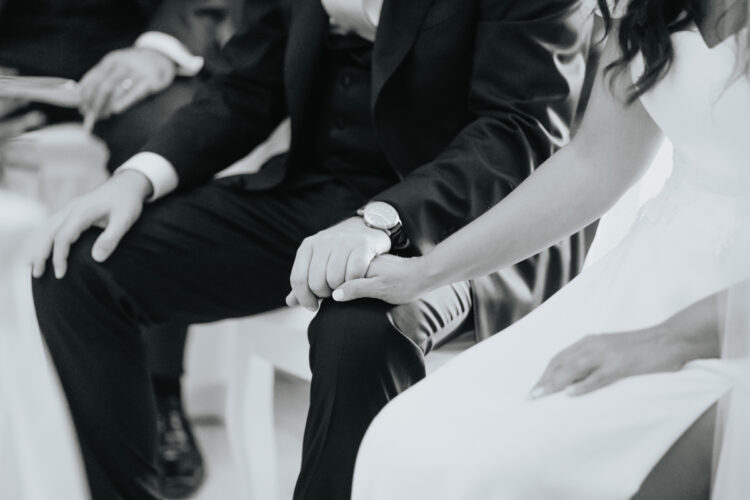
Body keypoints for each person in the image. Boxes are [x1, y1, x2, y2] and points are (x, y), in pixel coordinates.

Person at [28, 0, 594, 498]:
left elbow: (519, 128)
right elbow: (247, 83)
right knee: (80, 264)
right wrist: (138, 177)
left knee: (361, 324)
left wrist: (382, 219)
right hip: (319, 191)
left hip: (474, 222)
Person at [334, 0, 750, 498]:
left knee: (533, 471)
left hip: (726, 315)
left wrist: (666, 340)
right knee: (403, 443)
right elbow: (594, 165)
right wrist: (426, 271)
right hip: (647, 278)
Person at [0, 0, 228, 496]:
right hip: (9, 61)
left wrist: (159, 51)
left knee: (171, 134)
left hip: (128, 50)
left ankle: (159, 392)